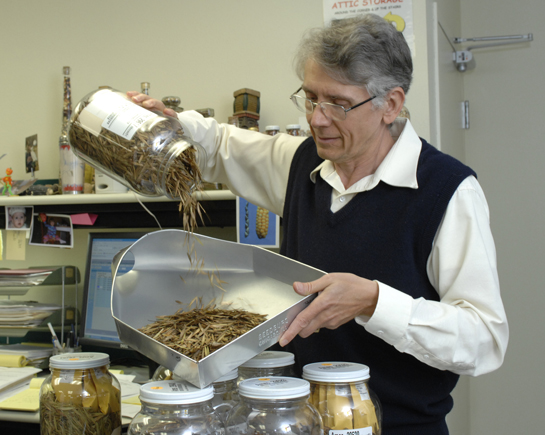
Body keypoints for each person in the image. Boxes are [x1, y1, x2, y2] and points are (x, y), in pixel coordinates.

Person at [128, 14, 508, 434]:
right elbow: (220, 146)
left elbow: (484, 340)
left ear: (392, 105)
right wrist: (170, 123)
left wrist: (374, 302)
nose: (317, 119)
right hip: (294, 421)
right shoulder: (302, 163)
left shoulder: (448, 191)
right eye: (310, 98)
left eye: (338, 103)